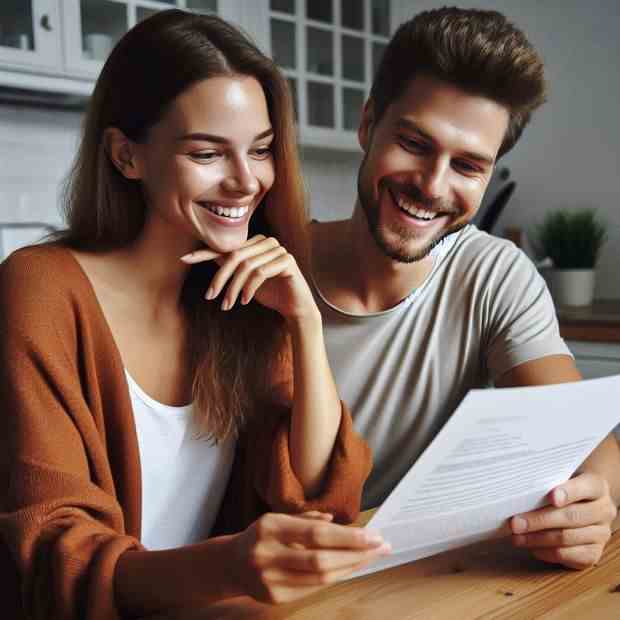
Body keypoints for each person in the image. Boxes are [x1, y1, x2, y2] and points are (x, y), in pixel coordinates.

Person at [0, 10, 391, 619]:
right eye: (208, 153)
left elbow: (318, 496)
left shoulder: (242, 299)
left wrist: (304, 324)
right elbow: (52, 551)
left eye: (260, 151)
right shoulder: (40, 289)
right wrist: (227, 565)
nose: (246, 182)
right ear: (125, 156)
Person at [311, 7, 619, 571]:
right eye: (414, 142)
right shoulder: (273, 269)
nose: (432, 186)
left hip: (421, 583)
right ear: (368, 124)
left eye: (468, 166)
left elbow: (588, 441)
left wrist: (595, 500)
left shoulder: (494, 274)